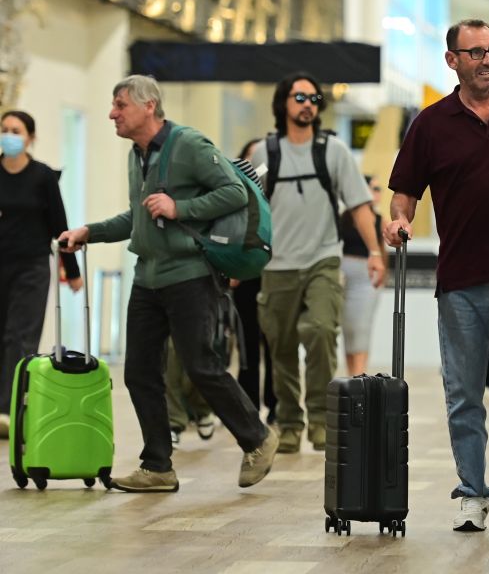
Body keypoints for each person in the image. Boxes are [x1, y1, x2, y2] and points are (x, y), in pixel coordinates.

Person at [58, 75, 278, 492]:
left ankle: (258, 438)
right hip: (148, 277)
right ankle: (157, 465)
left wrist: (181, 207)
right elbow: (138, 217)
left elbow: (234, 192)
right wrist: (90, 231)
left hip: (190, 275)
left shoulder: (189, 145)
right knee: (139, 371)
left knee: (200, 366)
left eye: (120, 105)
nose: (112, 113)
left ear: (149, 106)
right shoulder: (135, 156)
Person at [384, 19, 489, 533]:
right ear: (452, 61)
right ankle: (471, 491)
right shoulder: (431, 124)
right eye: (475, 52)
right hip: (460, 278)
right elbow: (405, 191)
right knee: (463, 390)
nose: (487, 60)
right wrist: (397, 220)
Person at [251, 73, 384, 453]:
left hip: (323, 259)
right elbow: (248, 208)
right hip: (276, 265)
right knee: (281, 346)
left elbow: (360, 205)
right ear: (284, 104)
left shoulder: (334, 151)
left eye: (313, 98)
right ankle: (290, 423)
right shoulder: (265, 153)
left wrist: (375, 252)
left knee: (323, 330)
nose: (308, 103)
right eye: (299, 97)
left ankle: (322, 422)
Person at [0, 110, 83, 439]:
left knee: (18, 337)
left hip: (32, 267)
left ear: (31, 137)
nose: (9, 135)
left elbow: (59, 227)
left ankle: (10, 410)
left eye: (16, 130)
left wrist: (71, 271)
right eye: (4, 129)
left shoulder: (43, 176)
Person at [231, 138, 275, 425]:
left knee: (274, 342)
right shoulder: (233, 189)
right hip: (245, 274)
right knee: (246, 344)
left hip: (273, 273)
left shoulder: (274, 190)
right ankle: (247, 405)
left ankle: (275, 403)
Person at [340, 175, 384, 376]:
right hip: (344, 279)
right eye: (374, 188)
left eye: (379, 189)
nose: (378, 193)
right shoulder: (347, 217)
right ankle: (352, 376)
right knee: (348, 328)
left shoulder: (380, 220)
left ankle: (359, 375)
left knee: (362, 326)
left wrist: (381, 272)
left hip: (367, 279)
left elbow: (382, 250)